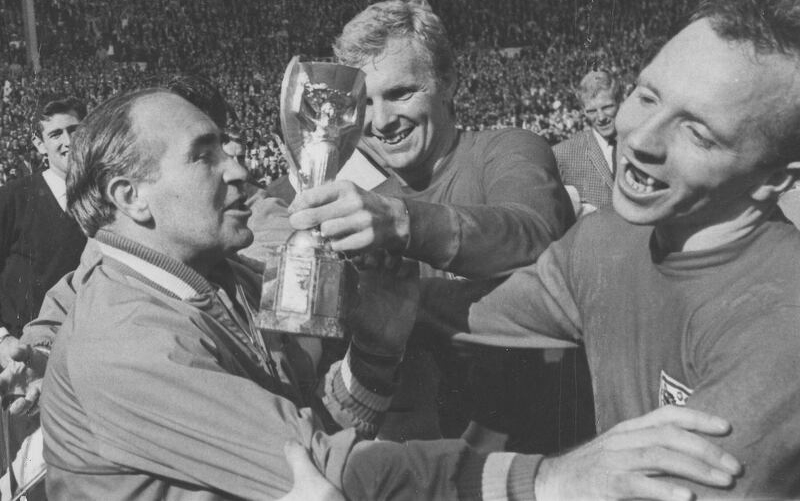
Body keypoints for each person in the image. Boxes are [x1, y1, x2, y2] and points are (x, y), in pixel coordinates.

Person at [34, 85, 741, 501]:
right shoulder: (127, 342)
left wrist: (375, 347)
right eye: (206, 153)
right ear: (133, 199)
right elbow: (328, 469)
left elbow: (317, 420)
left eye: (232, 145)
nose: (242, 167)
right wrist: (551, 480)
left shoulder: (222, 279)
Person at [422, 0, 800, 497]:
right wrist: (383, 290)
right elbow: (473, 312)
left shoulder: (782, 331)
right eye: (646, 96)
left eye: (697, 131)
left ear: (776, 179)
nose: (640, 139)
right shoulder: (606, 238)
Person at [283, 0, 584, 449]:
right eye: (366, 103)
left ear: (448, 82)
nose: (382, 121)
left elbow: (532, 232)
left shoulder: (507, 150)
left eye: (401, 93)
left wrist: (404, 228)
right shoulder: (368, 208)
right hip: (435, 465)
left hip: (548, 448)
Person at [0, 97, 87, 471]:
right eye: (56, 133)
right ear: (40, 145)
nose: (67, 140)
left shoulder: (106, 201)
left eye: (75, 130)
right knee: (27, 473)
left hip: (85, 362)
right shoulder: (13, 197)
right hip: (24, 363)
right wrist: (2, 338)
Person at [553, 70, 621, 215]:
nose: (601, 117)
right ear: (583, 111)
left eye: (607, 107)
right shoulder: (563, 154)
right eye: (592, 111)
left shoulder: (642, 141)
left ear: (620, 101)